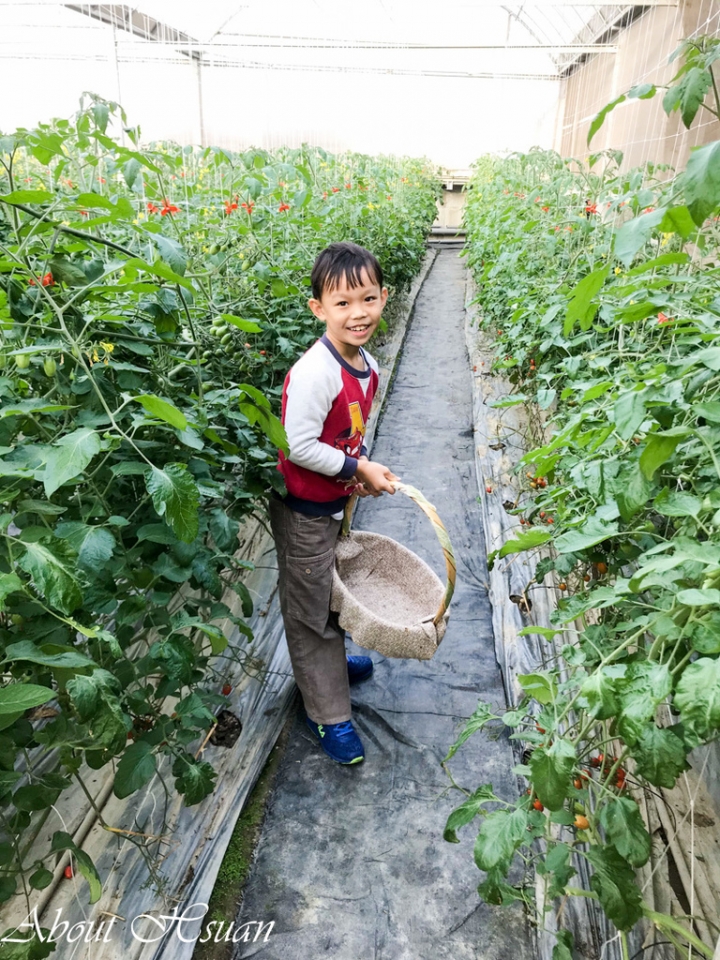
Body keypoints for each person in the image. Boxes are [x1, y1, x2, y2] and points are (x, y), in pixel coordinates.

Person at [268, 241, 399, 765]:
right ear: (317, 308)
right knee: (310, 612)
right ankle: (326, 713)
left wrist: (359, 467)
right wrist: (354, 469)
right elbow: (297, 445)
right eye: (342, 303)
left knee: (332, 590)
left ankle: (332, 668)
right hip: (305, 511)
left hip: (333, 501)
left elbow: (351, 430)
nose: (358, 313)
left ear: (384, 298)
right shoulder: (316, 371)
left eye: (367, 299)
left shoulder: (365, 362)